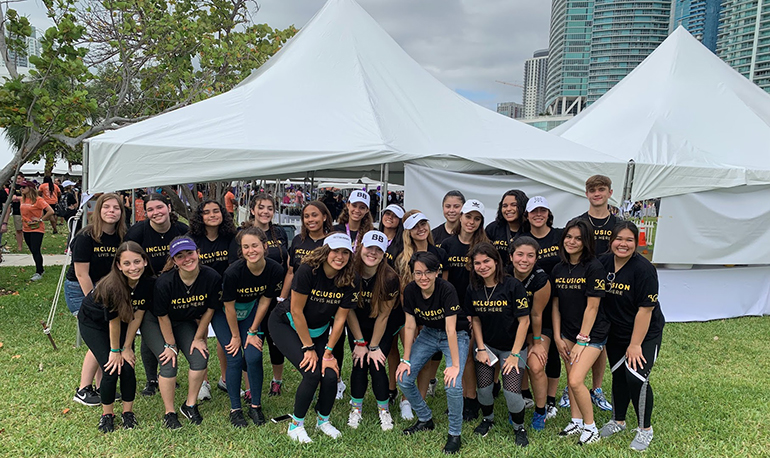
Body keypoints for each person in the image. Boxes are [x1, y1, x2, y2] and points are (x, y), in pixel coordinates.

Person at [268, 233, 358, 443]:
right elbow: (296, 311)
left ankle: (322, 421)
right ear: (326, 251)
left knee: (329, 374)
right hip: (286, 323)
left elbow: (340, 320)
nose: (340, 256)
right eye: (336, 251)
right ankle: (296, 425)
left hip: (318, 330)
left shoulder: (351, 279)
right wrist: (308, 348)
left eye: (345, 252)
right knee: (311, 373)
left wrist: (328, 353)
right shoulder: (308, 270)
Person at [598, 221, 665, 452]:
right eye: (619, 239)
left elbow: (645, 311)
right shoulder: (603, 262)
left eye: (629, 240)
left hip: (645, 333)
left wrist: (636, 344)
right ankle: (618, 421)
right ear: (611, 241)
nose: (623, 244)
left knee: (636, 377)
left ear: (636, 243)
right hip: (616, 331)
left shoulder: (645, 269)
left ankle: (645, 430)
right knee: (618, 376)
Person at [141, 237, 221, 429]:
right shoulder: (165, 282)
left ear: (198, 253)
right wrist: (170, 345)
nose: (187, 259)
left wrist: (198, 338)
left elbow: (210, 309)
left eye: (190, 253)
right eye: (180, 256)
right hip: (155, 321)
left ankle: (190, 404)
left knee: (200, 357)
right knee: (169, 361)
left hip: (183, 321)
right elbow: (162, 316)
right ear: (173, 260)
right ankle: (170, 412)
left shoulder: (211, 277)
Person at [397, 251, 470, 455]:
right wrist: (405, 359)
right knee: (403, 377)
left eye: (428, 272)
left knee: (453, 385)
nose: (423, 277)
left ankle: (454, 434)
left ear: (437, 272)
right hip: (428, 333)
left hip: (455, 335)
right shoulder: (411, 290)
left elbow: (451, 329)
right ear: (412, 274)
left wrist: (455, 366)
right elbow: (410, 326)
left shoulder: (447, 289)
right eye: (418, 273)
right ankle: (424, 418)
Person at [77, 241, 154, 432]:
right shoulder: (112, 286)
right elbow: (114, 322)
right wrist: (115, 351)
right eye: (126, 263)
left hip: (124, 321)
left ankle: (128, 413)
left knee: (128, 367)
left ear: (145, 261)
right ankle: (107, 415)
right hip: (93, 323)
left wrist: (127, 347)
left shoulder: (149, 282)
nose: (133, 267)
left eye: (137, 261)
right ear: (118, 265)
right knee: (111, 368)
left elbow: (137, 316)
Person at [213, 226, 284, 427]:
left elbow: (264, 301)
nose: (250, 250)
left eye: (254, 245)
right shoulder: (233, 272)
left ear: (264, 246)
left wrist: (253, 330)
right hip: (227, 315)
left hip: (250, 311)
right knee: (234, 357)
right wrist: (236, 336)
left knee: (253, 355)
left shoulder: (274, 269)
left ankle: (256, 406)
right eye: (245, 247)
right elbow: (228, 307)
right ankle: (235, 409)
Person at [65, 193, 127, 407]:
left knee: (106, 338)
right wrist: (95, 302)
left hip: (109, 294)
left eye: (116, 208)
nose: (112, 211)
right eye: (107, 207)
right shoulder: (85, 237)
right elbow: (82, 274)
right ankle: (83, 389)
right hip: (82, 291)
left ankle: (101, 387)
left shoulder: (122, 237)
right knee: (98, 339)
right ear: (98, 211)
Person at [466, 242, 531, 447]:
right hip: (489, 346)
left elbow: (525, 321)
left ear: (496, 261)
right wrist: (481, 348)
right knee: (484, 389)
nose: (482, 266)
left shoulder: (512, 285)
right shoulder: (473, 288)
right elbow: (475, 319)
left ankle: (519, 427)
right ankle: (488, 419)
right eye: (477, 263)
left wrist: (514, 355)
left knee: (511, 391)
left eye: (486, 261)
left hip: (513, 347)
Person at [551, 218, 609, 445]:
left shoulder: (594, 267)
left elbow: (593, 306)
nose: (572, 242)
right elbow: (555, 305)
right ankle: (575, 421)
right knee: (570, 378)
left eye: (578, 238)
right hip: (567, 331)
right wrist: (557, 336)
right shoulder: (558, 267)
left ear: (586, 242)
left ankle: (590, 427)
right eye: (569, 237)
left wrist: (582, 340)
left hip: (591, 334)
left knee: (576, 380)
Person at [562, 176, 617, 412]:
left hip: (608, 289)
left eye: (601, 190)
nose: (597, 194)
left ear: (609, 192)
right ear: (586, 194)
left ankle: (596, 388)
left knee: (599, 343)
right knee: (574, 338)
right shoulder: (578, 223)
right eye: (592, 190)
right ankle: (572, 387)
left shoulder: (617, 224)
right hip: (580, 287)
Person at [125, 193, 189, 396]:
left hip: (175, 289)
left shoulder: (182, 230)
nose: (155, 213)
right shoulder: (137, 232)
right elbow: (127, 259)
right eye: (150, 210)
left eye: (159, 207)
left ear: (169, 208)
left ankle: (167, 374)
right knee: (147, 334)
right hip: (146, 289)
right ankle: (152, 379)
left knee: (170, 331)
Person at [390, 211, 449, 419]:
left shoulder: (439, 253)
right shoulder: (399, 253)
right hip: (406, 313)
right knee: (405, 356)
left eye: (424, 223)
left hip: (432, 315)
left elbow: (444, 287)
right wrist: (413, 323)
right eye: (415, 226)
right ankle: (401, 396)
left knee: (425, 359)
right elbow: (400, 289)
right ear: (408, 231)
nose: (421, 228)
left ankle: (416, 400)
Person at [439, 199, 490, 420]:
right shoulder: (448, 245)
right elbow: (445, 281)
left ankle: (471, 400)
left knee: (468, 356)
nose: (471, 222)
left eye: (477, 218)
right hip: (453, 309)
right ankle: (466, 398)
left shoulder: (483, 246)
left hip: (475, 309)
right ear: (460, 217)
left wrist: (473, 311)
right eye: (468, 216)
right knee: (457, 356)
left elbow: (485, 280)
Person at [345, 230, 400, 431]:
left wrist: (374, 346)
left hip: (381, 326)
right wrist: (360, 343)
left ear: (384, 253)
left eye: (379, 249)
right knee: (359, 363)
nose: (373, 253)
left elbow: (384, 315)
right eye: (369, 248)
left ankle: (383, 410)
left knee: (376, 364)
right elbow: (348, 311)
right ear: (361, 247)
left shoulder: (390, 277)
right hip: (356, 324)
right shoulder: (350, 272)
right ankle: (356, 409)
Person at [187, 199, 237, 401]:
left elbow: (234, 265)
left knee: (224, 339)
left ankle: (224, 379)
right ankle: (203, 383)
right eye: (207, 212)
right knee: (202, 337)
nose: (212, 215)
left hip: (224, 295)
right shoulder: (192, 239)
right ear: (201, 217)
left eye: (216, 211)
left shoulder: (231, 237)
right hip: (200, 294)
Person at [521, 196, 563, 416]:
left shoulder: (559, 236)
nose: (538, 215)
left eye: (542, 211)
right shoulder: (522, 240)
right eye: (533, 211)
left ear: (548, 213)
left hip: (556, 300)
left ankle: (550, 399)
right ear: (527, 215)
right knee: (528, 350)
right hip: (528, 302)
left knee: (553, 352)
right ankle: (527, 394)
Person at [245, 193, 290, 397]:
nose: (265, 212)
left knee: (275, 339)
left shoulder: (279, 232)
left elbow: (287, 264)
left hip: (276, 294)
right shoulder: (243, 233)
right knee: (252, 338)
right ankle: (248, 386)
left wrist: (282, 295)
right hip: (250, 296)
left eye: (270, 208)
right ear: (253, 209)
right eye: (261, 207)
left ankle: (277, 381)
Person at [509, 236, 554, 430]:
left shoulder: (541, 279)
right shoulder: (503, 275)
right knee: (512, 363)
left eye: (530, 255)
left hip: (539, 326)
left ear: (536, 258)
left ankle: (540, 410)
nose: (524, 260)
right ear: (511, 256)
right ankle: (516, 405)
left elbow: (536, 314)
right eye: (519, 254)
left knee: (535, 365)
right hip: (512, 325)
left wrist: (536, 342)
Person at [19, 180, 54, 281]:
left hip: (37, 228)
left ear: (30, 188)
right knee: (32, 250)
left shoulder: (38, 200)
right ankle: (40, 268)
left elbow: (51, 211)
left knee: (35, 249)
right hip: (26, 228)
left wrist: (41, 219)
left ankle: (39, 271)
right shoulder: (23, 199)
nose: (21, 189)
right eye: (21, 187)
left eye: (24, 187)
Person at [485, 189, 528, 265]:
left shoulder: (530, 229)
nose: (508, 209)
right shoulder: (492, 228)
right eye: (505, 206)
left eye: (514, 205)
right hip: (497, 274)